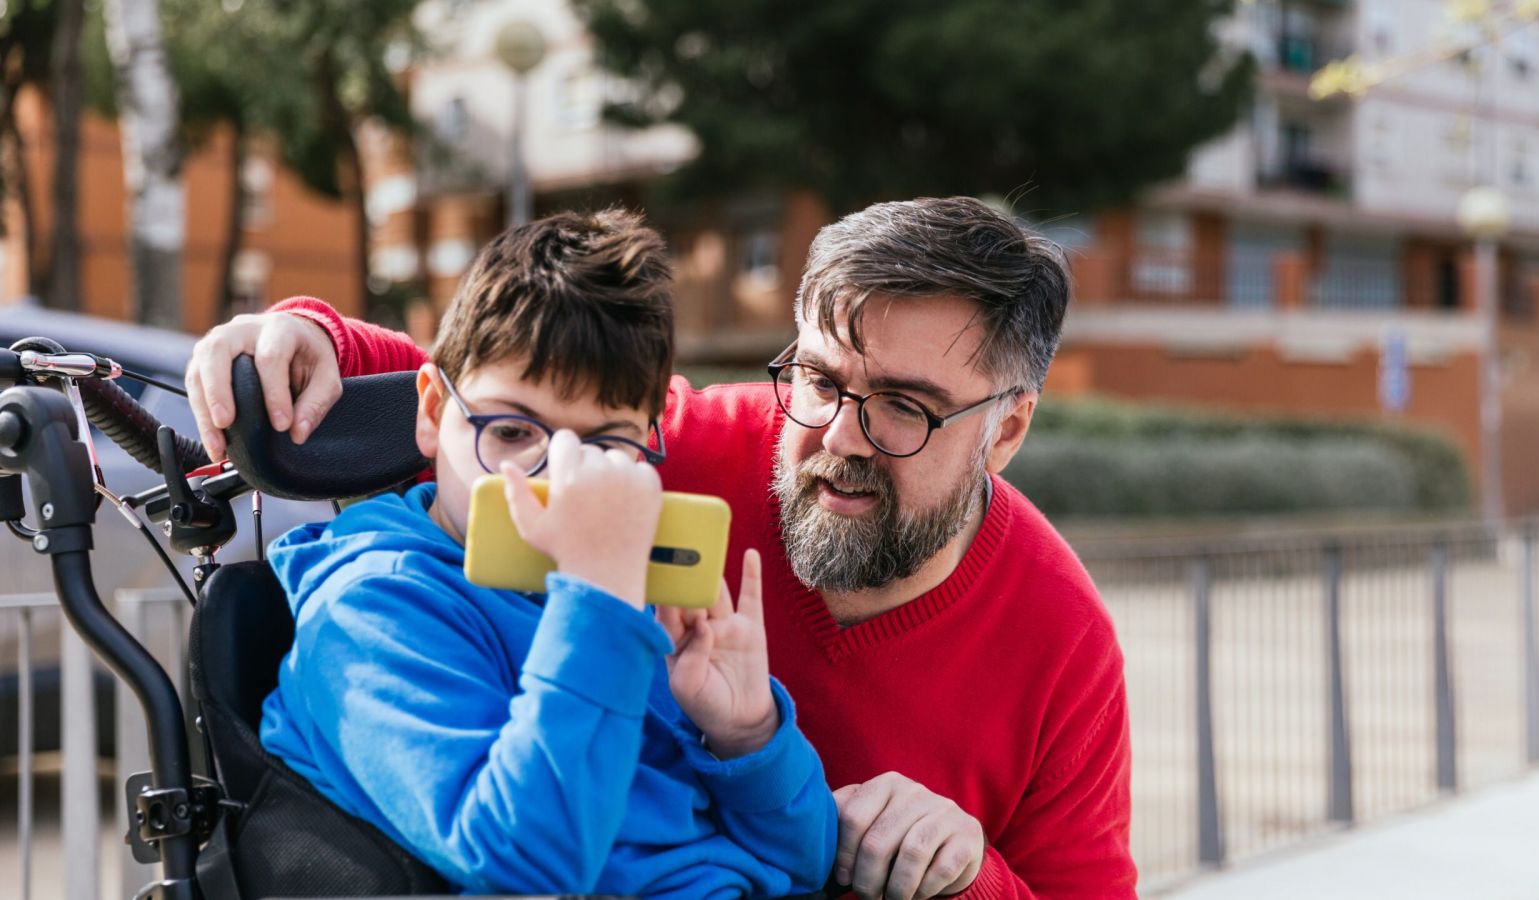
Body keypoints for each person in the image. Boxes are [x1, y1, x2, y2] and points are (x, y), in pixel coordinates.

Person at [192, 197, 1135, 898]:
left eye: (904, 408)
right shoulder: (641, 484)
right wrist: (307, 337)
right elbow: (510, 386)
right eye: (816, 379)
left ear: (1006, 434)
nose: (839, 435)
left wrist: (963, 869)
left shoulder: (1061, 641)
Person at [255, 210, 836, 898]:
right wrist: (598, 602)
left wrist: (746, 738)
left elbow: (807, 861)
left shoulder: (623, 588)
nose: (556, 476)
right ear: (434, 414)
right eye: (509, 432)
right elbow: (527, 864)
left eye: (604, 445)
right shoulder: (370, 609)